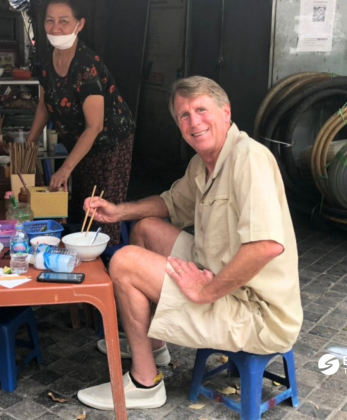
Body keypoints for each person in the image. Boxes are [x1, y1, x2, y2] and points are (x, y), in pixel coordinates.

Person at [75, 76, 303, 410]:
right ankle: (153, 346)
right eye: (183, 115)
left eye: (201, 109)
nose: (193, 121)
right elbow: (171, 203)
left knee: (124, 261)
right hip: (217, 272)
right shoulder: (203, 162)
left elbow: (266, 246)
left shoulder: (249, 159)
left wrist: (204, 292)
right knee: (146, 230)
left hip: (255, 310)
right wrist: (118, 212)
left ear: (226, 113)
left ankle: (144, 383)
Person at [27, 0, 135, 245]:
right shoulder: (45, 58)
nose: (56, 27)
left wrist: (65, 168)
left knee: (99, 207)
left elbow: (95, 125)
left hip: (109, 142)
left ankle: (106, 261)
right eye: (50, 20)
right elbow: (46, 102)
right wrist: (29, 143)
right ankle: (77, 253)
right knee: (79, 202)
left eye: (64, 21)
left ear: (80, 24)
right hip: (80, 142)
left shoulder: (87, 65)